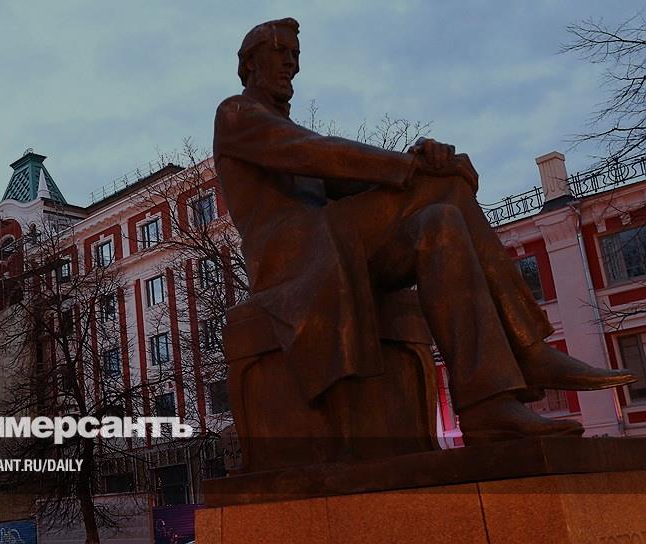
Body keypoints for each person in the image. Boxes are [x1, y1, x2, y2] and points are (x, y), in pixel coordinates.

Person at [213, 18, 636, 443]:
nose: (291, 63)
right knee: (443, 185)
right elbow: (316, 154)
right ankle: (527, 348)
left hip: (331, 245)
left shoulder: (287, 130)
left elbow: (350, 180)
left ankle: (486, 404)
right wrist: (416, 167)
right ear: (249, 63)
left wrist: (420, 158)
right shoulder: (236, 114)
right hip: (292, 254)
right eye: (280, 51)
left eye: (295, 54)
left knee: (440, 223)